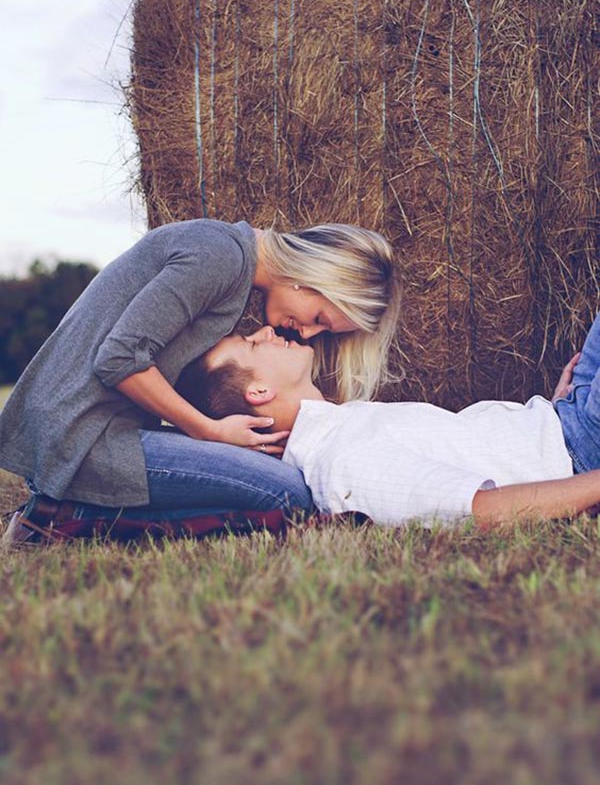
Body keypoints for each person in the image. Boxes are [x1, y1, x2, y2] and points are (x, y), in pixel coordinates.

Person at [1, 219, 400, 546]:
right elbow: (119, 358)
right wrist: (208, 431)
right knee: (287, 494)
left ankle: (71, 508)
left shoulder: (227, 258)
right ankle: (67, 517)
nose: (308, 334)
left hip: (93, 428)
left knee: (274, 485)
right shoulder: (219, 256)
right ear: (311, 277)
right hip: (82, 435)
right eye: (318, 317)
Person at [182, 316, 600, 528]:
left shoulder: (338, 425)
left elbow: (467, 444)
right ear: (258, 393)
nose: (267, 330)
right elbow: (485, 513)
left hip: (562, 418)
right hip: (581, 451)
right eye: (253, 344)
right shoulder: (344, 463)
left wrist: (548, 409)